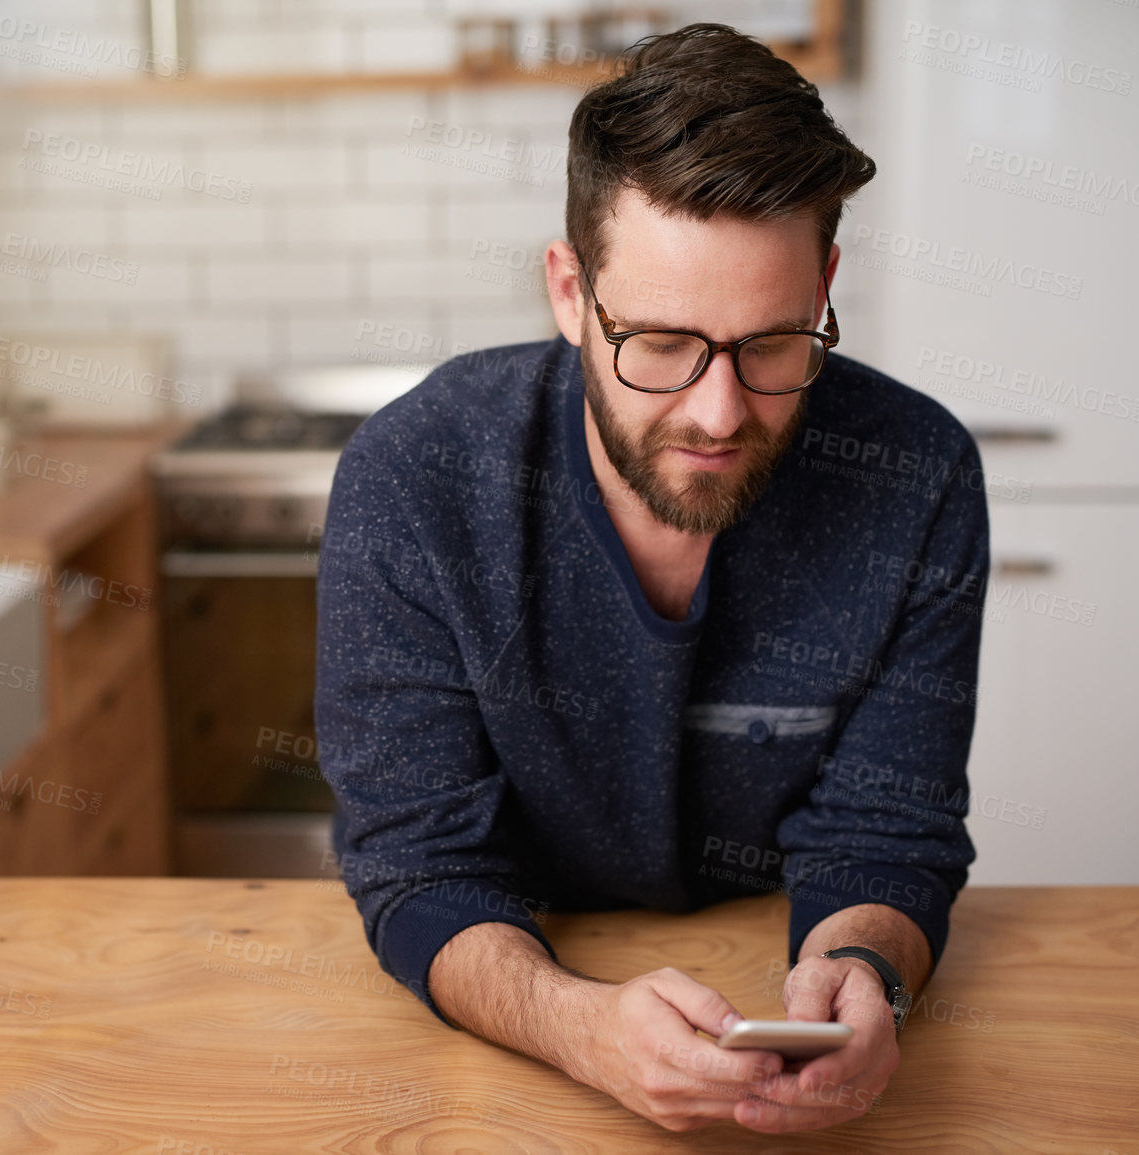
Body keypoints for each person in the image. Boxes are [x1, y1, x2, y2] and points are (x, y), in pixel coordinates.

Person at [315, 22, 987, 1135]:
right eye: (663, 345)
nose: (719, 413)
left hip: (767, 960)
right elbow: (420, 863)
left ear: (825, 284)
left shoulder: (915, 475)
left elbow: (886, 833)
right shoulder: (416, 474)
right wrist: (575, 1025)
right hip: (500, 1032)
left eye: (774, 344)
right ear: (570, 292)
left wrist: (867, 973)